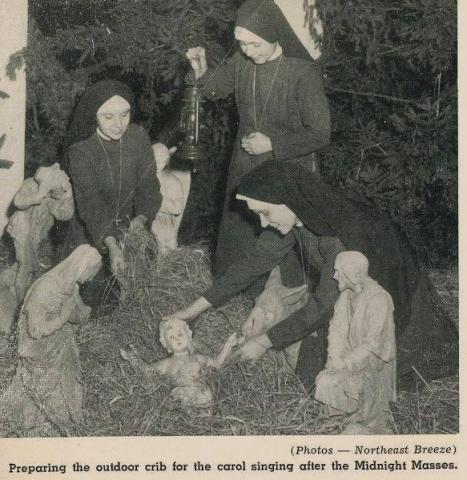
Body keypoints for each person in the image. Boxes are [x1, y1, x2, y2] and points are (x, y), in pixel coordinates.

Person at [164, 160, 458, 392]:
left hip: (389, 288)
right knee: (311, 376)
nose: (263, 222)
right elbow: (251, 264)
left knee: (342, 380)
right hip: (342, 295)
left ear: (289, 201)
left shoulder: (337, 236)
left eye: (265, 213)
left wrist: (266, 341)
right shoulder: (295, 215)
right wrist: (191, 311)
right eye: (258, 215)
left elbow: (324, 304)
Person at [186, 0, 330, 277]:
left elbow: (321, 133)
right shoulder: (242, 62)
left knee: (284, 240)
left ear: (274, 34)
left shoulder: (302, 71)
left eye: (256, 45)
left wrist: (274, 144)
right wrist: (202, 71)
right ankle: (234, 287)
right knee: (239, 232)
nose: (249, 52)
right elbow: (215, 90)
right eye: (243, 44)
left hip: (290, 168)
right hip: (246, 163)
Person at [60, 79, 162, 309]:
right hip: (91, 235)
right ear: (93, 116)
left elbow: (149, 188)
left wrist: (140, 221)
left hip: (132, 230)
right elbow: (91, 205)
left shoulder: (138, 137)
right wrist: (113, 247)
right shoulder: (81, 150)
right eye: (108, 117)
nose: (118, 124)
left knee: (142, 300)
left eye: (124, 114)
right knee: (91, 306)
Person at [0, 245, 102, 434]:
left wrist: (84, 312)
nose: (93, 277)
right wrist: (64, 316)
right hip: (41, 350)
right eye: (92, 272)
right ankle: (42, 425)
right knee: (44, 389)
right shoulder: (46, 287)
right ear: (82, 268)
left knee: (66, 383)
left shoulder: (70, 287)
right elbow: (36, 330)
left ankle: (62, 420)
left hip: (61, 345)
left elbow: (76, 314)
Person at [315, 251, 396, 435]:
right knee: (324, 380)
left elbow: (372, 345)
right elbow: (336, 329)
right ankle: (334, 423)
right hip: (350, 362)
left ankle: (365, 424)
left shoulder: (378, 299)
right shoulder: (345, 296)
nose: (334, 276)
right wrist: (334, 357)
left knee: (331, 383)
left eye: (338, 271)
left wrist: (345, 363)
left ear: (352, 273)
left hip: (372, 369)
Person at [120, 319, 240, 408]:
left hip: (201, 393)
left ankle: (205, 418)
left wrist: (228, 345)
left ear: (189, 336)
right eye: (171, 337)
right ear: (166, 345)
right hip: (181, 393)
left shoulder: (198, 358)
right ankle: (186, 413)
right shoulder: (167, 363)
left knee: (206, 393)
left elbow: (217, 363)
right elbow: (148, 371)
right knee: (177, 395)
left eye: (180, 334)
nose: (177, 339)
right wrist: (133, 358)